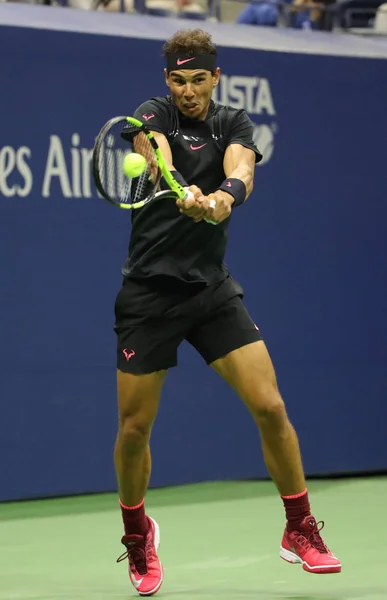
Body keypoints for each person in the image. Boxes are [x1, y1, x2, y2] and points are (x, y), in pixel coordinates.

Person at [113, 28, 341, 597]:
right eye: (178, 80)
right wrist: (182, 185)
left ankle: (299, 528)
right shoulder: (153, 115)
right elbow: (154, 150)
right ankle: (138, 533)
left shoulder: (233, 123)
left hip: (211, 292)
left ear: (216, 77)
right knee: (135, 430)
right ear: (167, 80)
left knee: (270, 406)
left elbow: (242, 168)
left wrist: (222, 198)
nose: (187, 91)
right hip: (148, 295)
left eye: (198, 79)